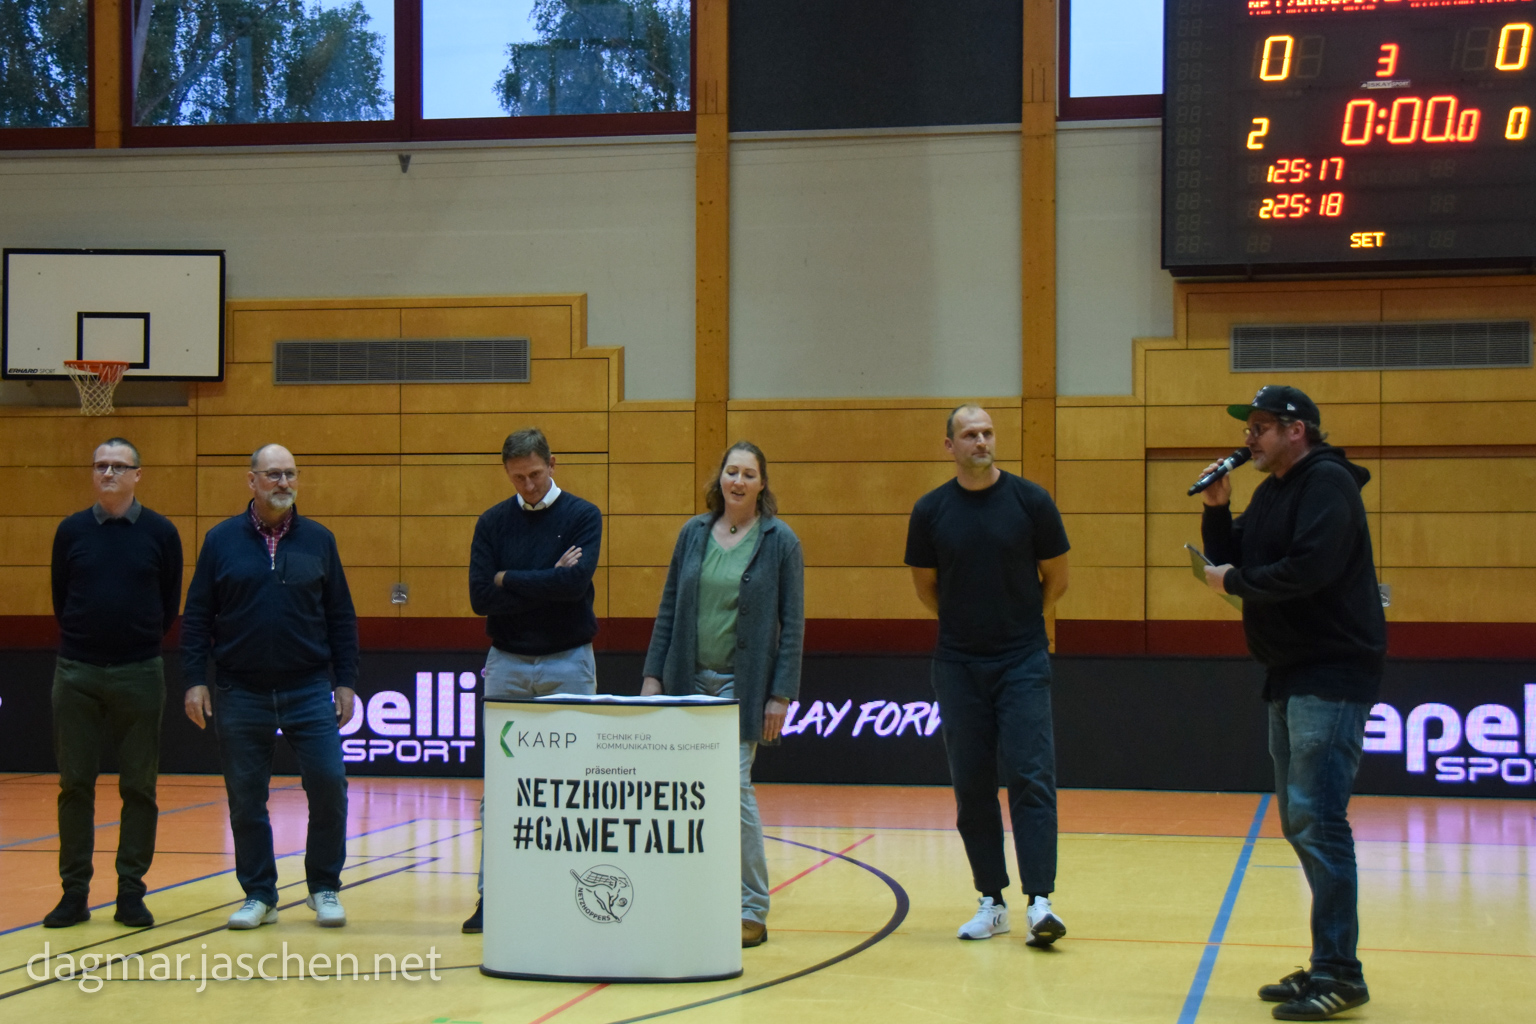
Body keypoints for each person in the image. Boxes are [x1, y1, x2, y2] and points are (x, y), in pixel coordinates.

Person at [1199, 385, 1384, 1022]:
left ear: (1296, 429)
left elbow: (1310, 569)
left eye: (1259, 427)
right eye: (1248, 428)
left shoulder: (1327, 483)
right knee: (1301, 821)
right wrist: (1218, 512)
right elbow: (1235, 559)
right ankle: (1327, 959)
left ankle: (1341, 973)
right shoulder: (1273, 490)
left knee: (1319, 820)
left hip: (1330, 672)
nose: (1248, 438)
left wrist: (1236, 580)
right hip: (1288, 672)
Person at [905, 404, 1071, 946]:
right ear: (949, 446)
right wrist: (967, 627)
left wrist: (1019, 623)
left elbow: (1057, 578)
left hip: (1022, 661)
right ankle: (991, 902)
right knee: (972, 786)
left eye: (987, 433)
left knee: (1030, 777)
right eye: (970, 434)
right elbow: (926, 587)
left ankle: (1040, 902)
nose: (981, 441)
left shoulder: (1031, 501)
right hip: (957, 665)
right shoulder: (930, 511)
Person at [181, 444, 358, 930]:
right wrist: (194, 679)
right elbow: (197, 617)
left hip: (308, 689)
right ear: (252, 480)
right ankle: (259, 894)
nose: (284, 483)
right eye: (274, 474)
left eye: (291, 474)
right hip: (240, 691)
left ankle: (324, 886)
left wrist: (345, 681)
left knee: (329, 786)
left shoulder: (319, 540)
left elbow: (341, 616)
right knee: (246, 799)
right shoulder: (221, 541)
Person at [641, 440, 803, 949]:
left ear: (761, 484)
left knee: (734, 790)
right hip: (687, 683)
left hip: (742, 688)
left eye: (749, 474)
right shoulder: (693, 533)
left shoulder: (781, 541)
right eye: (732, 471)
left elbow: (793, 625)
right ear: (721, 478)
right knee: (683, 795)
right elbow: (668, 608)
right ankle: (690, 898)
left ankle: (752, 907)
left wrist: (781, 694)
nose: (738, 481)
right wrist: (653, 676)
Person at [462, 427, 602, 933]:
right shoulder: (492, 522)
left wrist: (509, 577)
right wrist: (545, 577)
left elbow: (574, 585)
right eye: (518, 477)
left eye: (536, 474)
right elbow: (481, 597)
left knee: (573, 786)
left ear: (553, 464)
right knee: (501, 787)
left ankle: (567, 896)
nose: (528, 485)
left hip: (568, 662)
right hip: (507, 664)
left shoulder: (583, 515)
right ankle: (493, 897)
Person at [44, 438, 183, 929]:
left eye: (118, 466)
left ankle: (130, 893)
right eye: (101, 465)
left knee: (139, 787)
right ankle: (74, 894)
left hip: (140, 671)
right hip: (76, 671)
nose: (108, 473)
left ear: (137, 474)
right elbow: (62, 596)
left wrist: (134, 642)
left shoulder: (161, 532)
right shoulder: (71, 531)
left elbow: (169, 604)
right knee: (74, 786)